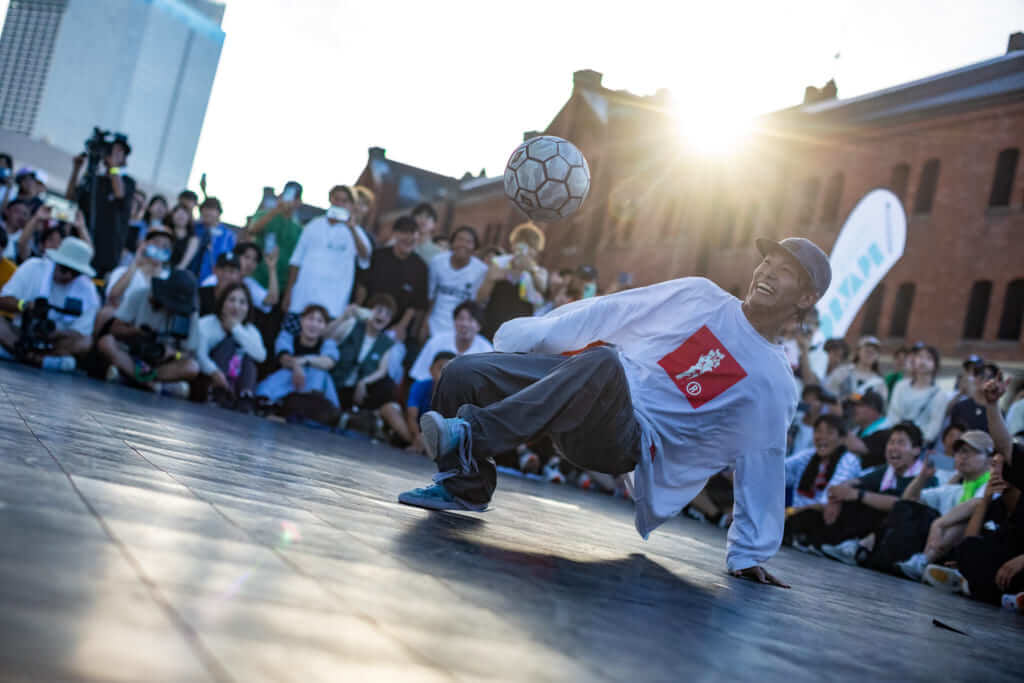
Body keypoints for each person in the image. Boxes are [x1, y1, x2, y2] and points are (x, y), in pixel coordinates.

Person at [398, 236, 834, 587]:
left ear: (806, 297)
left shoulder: (773, 380)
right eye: (767, 262)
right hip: (582, 390)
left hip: (626, 440)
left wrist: (749, 553)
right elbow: (616, 308)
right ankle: (466, 484)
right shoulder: (701, 297)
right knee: (463, 372)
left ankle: (471, 435)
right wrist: (535, 335)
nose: (767, 272)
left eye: (785, 271)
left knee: (605, 365)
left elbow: (763, 458)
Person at [799, 422, 937, 562]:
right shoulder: (886, 470)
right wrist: (837, 498)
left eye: (901, 443)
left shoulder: (926, 477)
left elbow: (901, 504)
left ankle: (853, 545)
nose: (893, 447)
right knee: (851, 498)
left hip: (902, 538)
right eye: (891, 442)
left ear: (916, 450)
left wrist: (858, 495)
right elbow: (852, 482)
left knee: (870, 498)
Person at [887, 430, 994, 580]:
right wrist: (922, 477)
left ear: (990, 459)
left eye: (971, 452)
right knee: (909, 510)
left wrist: (939, 524)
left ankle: (924, 561)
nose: (962, 456)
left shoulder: (993, 484)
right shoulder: (955, 489)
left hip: (983, 546)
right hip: (946, 547)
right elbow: (908, 500)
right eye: (959, 452)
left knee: (962, 520)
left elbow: (977, 503)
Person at [0, 237, 99, 371]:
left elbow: (81, 332)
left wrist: (55, 333)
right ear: (57, 261)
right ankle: (40, 360)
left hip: (55, 343)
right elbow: (3, 299)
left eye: (75, 273)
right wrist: (24, 305)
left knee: (85, 342)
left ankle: (26, 356)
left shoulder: (88, 290)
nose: (68, 276)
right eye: (64, 269)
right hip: (19, 334)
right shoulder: (34, 267)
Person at [95, 269, 200, 391]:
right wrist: (135, 331)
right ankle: (149, 382)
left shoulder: (190, 314)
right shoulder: (140, 295)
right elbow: (114, 329)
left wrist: (173, 353)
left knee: (192, 367)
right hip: (132, 353)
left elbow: (188, 353)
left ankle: (138, 377)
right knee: (106, 343)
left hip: (161, 364)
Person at [283, 185, 371, 327]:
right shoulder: (313, 225)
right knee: (288, 337)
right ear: (330, 199)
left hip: (333, 306)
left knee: (324, 340)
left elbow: (365, 258)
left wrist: (352, 228)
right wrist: (289, 293)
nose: (339, 203)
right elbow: (296, 261)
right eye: (336, 199)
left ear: (351, 205)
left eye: (344, 201)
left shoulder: (356, 232)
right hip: (302, 299)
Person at [324, 295, 404, 438]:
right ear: (368, 311)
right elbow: (325, 336)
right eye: (379, 310)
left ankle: (364, 417)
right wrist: (343, 317)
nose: (382, 316)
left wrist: (364, 382)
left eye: (387, 314)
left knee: (387, 385)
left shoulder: (387, 342)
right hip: (338, 384)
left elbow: (382, 371)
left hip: (360, 391)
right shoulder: (352, 325)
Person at [255, 303, 339, 425]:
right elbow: (284, 359)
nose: (314, 324)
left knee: (319, 372)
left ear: (325, 326)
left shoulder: (327, 344)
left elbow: (329, 362)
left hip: (314, 391)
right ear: (301, 320)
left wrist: (304, 361)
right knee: (286, 373)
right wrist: (296, 366)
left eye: (319, 321)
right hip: (287, 385)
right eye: (310, 319)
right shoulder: (287, 337)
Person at [67, 134, 135, 277]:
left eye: (119, 151)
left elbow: (119, 193)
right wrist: (76, 169)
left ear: (125, 158)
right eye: (111, 150)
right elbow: (70, 198)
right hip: (81, 248)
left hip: (106, 255)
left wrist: (113, 166)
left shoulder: (128, 182)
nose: (113, 154)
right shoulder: (94, 179)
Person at [355, 215, 428, 343]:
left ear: (418, 237)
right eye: (404, 232)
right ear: (394, 234)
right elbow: (363, 286)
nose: (409, 238)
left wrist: (401, 327)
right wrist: (358, 310)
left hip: (394, 329)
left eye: (413, 233)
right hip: (367, 320)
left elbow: (415, 304)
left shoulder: (421, 267)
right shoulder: (378, 256)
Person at [195, 282, 266, 410]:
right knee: (227, 344)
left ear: (248, 308)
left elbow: (260, 356)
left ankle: (245, 396)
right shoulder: (207, 324)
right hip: (211, 379)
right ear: (222, 303)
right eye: (231, 300)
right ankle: (217, 394)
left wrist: (235, 329)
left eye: (242, 302)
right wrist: (214, 372)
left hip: (237, 381)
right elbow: (199, 354)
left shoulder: (250, 330)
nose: (236, 306)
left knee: (249, 357)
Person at [477, 222, 548, 340]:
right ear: (513, 245)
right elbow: (481, 297)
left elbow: (542, 288)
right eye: (521, 244)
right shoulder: (498, 263)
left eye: (531, 246)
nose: (525, 250)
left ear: (536, 251)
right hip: (493, 326)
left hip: (520, 331)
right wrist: (500, 275)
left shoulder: (539, 272)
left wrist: (531, 270)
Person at [97, 226, 174, 334]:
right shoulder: (123, 271)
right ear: (144, 244)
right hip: (122, 325)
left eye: (165, 245)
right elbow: (112, 297)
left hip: (152, 327)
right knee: (106, 313)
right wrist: (135, 263)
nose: (160, 247)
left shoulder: (170, 278)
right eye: (156, 242)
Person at [784, 414, 862, 512]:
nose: (822, 436)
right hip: (795, 514)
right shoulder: (808, 455)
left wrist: (791, 512)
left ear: (842, 439)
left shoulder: (849, 461)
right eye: (818, 431)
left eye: (829, 432)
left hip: (825, 518)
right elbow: (780, 470)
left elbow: (828, 500)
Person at [426, 226, 487, 339]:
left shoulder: (481, 270)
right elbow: (430, 297)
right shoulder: (437, 262)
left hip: (461, 329)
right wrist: (424, 324)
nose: (463, 244)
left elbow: (477, 303)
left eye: (468, 242)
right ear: (452, 242)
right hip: (434, 325)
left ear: (475, 247)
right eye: (460, 239)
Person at [409, 301, 493, 382]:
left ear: (479, 326)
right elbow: (419, 375)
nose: (464, 324)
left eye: (470, 320)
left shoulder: (487, 351)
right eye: (461, 318)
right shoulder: (437, 341)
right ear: (454, 321)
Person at [244, 181, 304, 291]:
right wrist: (277, 209)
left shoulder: (299, 229)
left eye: (295, 198)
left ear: (299, 202)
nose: (290, 200)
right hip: (255, 280)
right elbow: (252, 230)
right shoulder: (264, 214)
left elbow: (297, 262)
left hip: (280, 286)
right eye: (288, 195)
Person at [887, 343, 947, 445]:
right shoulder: (900, 386)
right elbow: (893, 413)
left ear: (935, 365)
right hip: (896, 440)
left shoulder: (940, 394)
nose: (923, 361)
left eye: (929, 358)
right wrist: (897, 438)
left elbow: (934, 424)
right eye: (920, 357)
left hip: (919, 445)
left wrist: (918, 443)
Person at [405, 351, 456, 454]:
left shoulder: (457, 394)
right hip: (415, 429)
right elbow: (411, 416)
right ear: (431, 369)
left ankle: (423, 447)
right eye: (440, 368)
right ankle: (419, 444)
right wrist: (418, 436)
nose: (443, 374)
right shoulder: (420, 386)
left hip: (439, 435)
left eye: (449, 371)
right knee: (390, 410)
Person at [824, 335, 888, 405]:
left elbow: (881, 405)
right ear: (858, 351)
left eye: (873, 352)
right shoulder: (843, 371)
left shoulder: (879, 382)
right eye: (867, 350)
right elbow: (828, 392)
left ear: (877, 356)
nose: (870, 354)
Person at [948, 361, 1000, 433]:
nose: (984, 379)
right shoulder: (959, 407)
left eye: (989, 377)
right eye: (981, 375)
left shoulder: (998, 413)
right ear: (975, 378)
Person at [844, 390, 891, 469]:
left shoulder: (887, 430)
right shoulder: (857, 430)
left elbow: (857, 447)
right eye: (852, 406)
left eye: (858, 405)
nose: (853, 409)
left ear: (873, 409)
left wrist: (840, 421)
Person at [194, 197, 236, 282]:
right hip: (191, 275)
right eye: (205, 209)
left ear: (219, 213)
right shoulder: (194, 228)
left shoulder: (228, 235)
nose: (208, 212)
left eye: (212, 209)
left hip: (213, 280)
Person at [234, 241, 279, 314]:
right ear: (235, 256)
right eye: (246, 257)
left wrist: (272, 267)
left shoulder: (248, 283)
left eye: (254, 260)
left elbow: (271, 300)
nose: (250, 263)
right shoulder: (219, 277)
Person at [198, 252, 242, 316]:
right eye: (222, 269)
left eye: (231, 271)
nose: (226, 275)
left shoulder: (242, 300)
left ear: (238, 275)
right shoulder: (200, 294)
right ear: (214, 270)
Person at [166, 204, 200, 274]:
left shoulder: (193, 239)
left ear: (189, 218)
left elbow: (185, 262)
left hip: (180, 273)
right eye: (177, 213)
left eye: (184, 213)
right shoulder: (165, 233)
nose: (181, 216)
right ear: (172, 216)